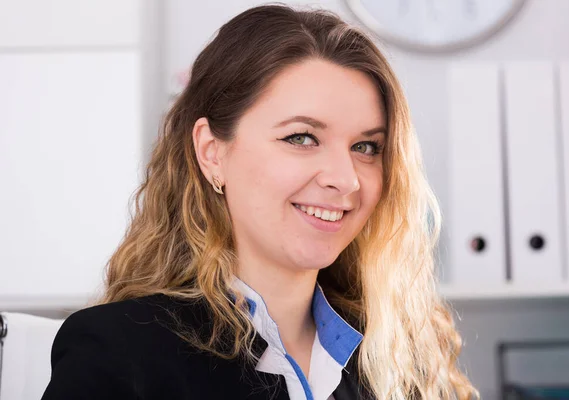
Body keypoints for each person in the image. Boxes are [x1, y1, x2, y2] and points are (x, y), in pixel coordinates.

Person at [42, 4, 478, 400]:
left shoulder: (403, 356)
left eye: (366, 147)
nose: (345, 180)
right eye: (302, 138)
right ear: (212, 153)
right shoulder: (119, 354)